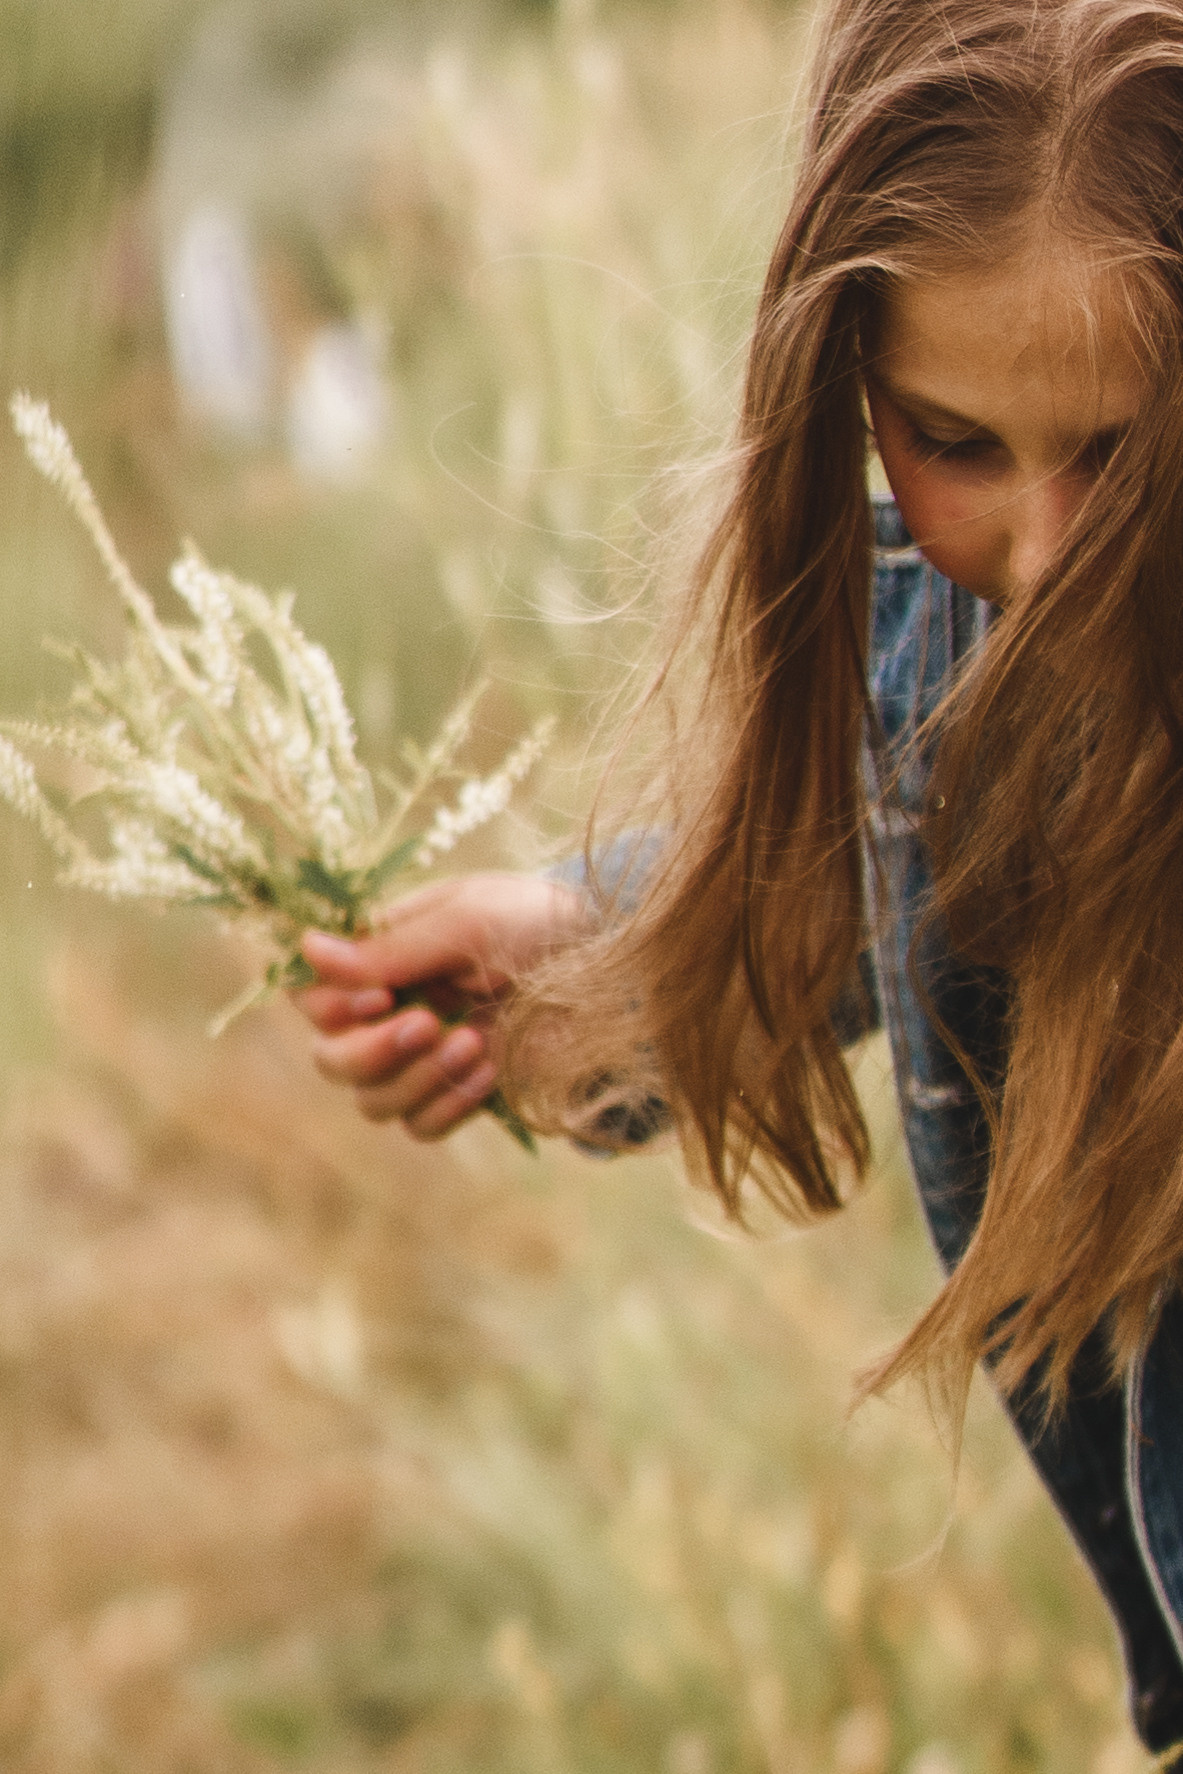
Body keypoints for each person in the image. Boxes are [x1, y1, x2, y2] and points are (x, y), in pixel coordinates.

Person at [294, 0, 1183, 1756]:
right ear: (845, 391)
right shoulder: (957, 643)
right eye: (958, 441)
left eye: (1128, 451)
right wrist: (598, 952)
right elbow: (909, 873)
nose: (1048, 553)